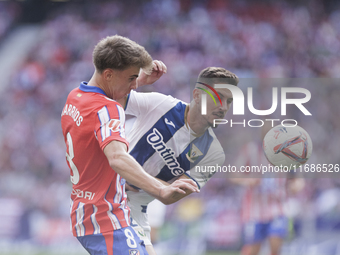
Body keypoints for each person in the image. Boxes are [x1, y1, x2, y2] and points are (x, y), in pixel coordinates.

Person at [60, 35, 199, 255]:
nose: (134, 86)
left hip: (95, 211)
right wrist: (161, 189)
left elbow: (100, 106)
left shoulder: (74, 97)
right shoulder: (107, 109)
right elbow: (117, 157)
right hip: (104, 219)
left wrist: (137, 79)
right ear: (109, 74)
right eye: (131, 78)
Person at [117, 67, 239, 254]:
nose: (223, 107)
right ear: (197, 95)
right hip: (103, 191)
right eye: (218, 97)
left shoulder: (214, 154)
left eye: (229, 101)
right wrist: (139, 81)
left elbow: (170, 196)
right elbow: (108, 98)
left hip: (134, 210)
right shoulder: (161, 104)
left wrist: (131, 177)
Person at [231, 126, 305, 255]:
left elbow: (298, 180)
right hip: (254, 211)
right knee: (252, 249)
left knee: (275, 246)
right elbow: (234, 175)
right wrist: (249, 180)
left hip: (277, 209)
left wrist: (296, 186)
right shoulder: (250, 150)